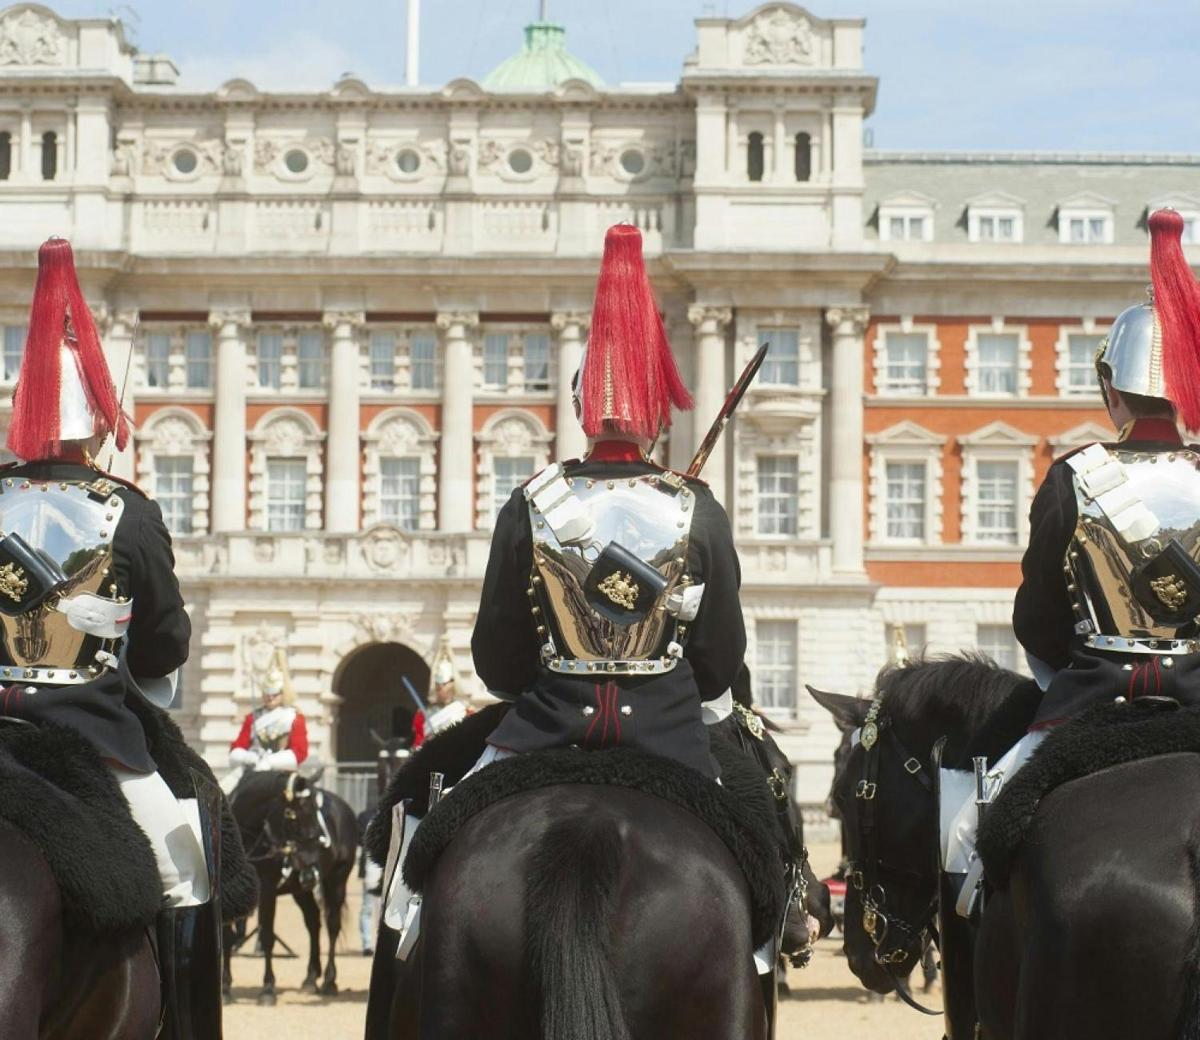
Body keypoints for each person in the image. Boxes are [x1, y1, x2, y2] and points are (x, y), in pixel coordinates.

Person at [942, 207, 1200, 922]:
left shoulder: (1074, 476)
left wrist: (1082, 664)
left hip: (1089, 701)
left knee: (972, 845)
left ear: (1109, 386)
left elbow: (1038, 620)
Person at [0, 237, 217, 1039]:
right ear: (98, 423)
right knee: (187, 866)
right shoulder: (125, 510)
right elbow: (163, 648)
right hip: (94, 743)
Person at [471, 222, 746, 778]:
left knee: (425, 836)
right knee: (768, 845)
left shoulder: (530, 501)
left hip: (541, 731)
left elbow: (497, 660)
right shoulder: (697, 507)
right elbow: (719, 665)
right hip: (673, 739)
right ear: (661, 413)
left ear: (579, 408)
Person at [228, 650, 309, 774]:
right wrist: (248, 757)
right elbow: (238, 746)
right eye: (267, 694)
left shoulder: (294, 717)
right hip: (254, 767)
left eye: (275, 694)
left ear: (282, 694)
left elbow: (300, 751)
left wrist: (270, 761)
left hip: (282, 770)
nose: (270, 698)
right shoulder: (252, 717)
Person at [409, 656, 468, 750]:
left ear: (451, 685)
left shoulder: (464, 711)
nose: (440, 689)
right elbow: (418, 740)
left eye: (443, 685)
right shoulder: (423, 714)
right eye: (438, 686)